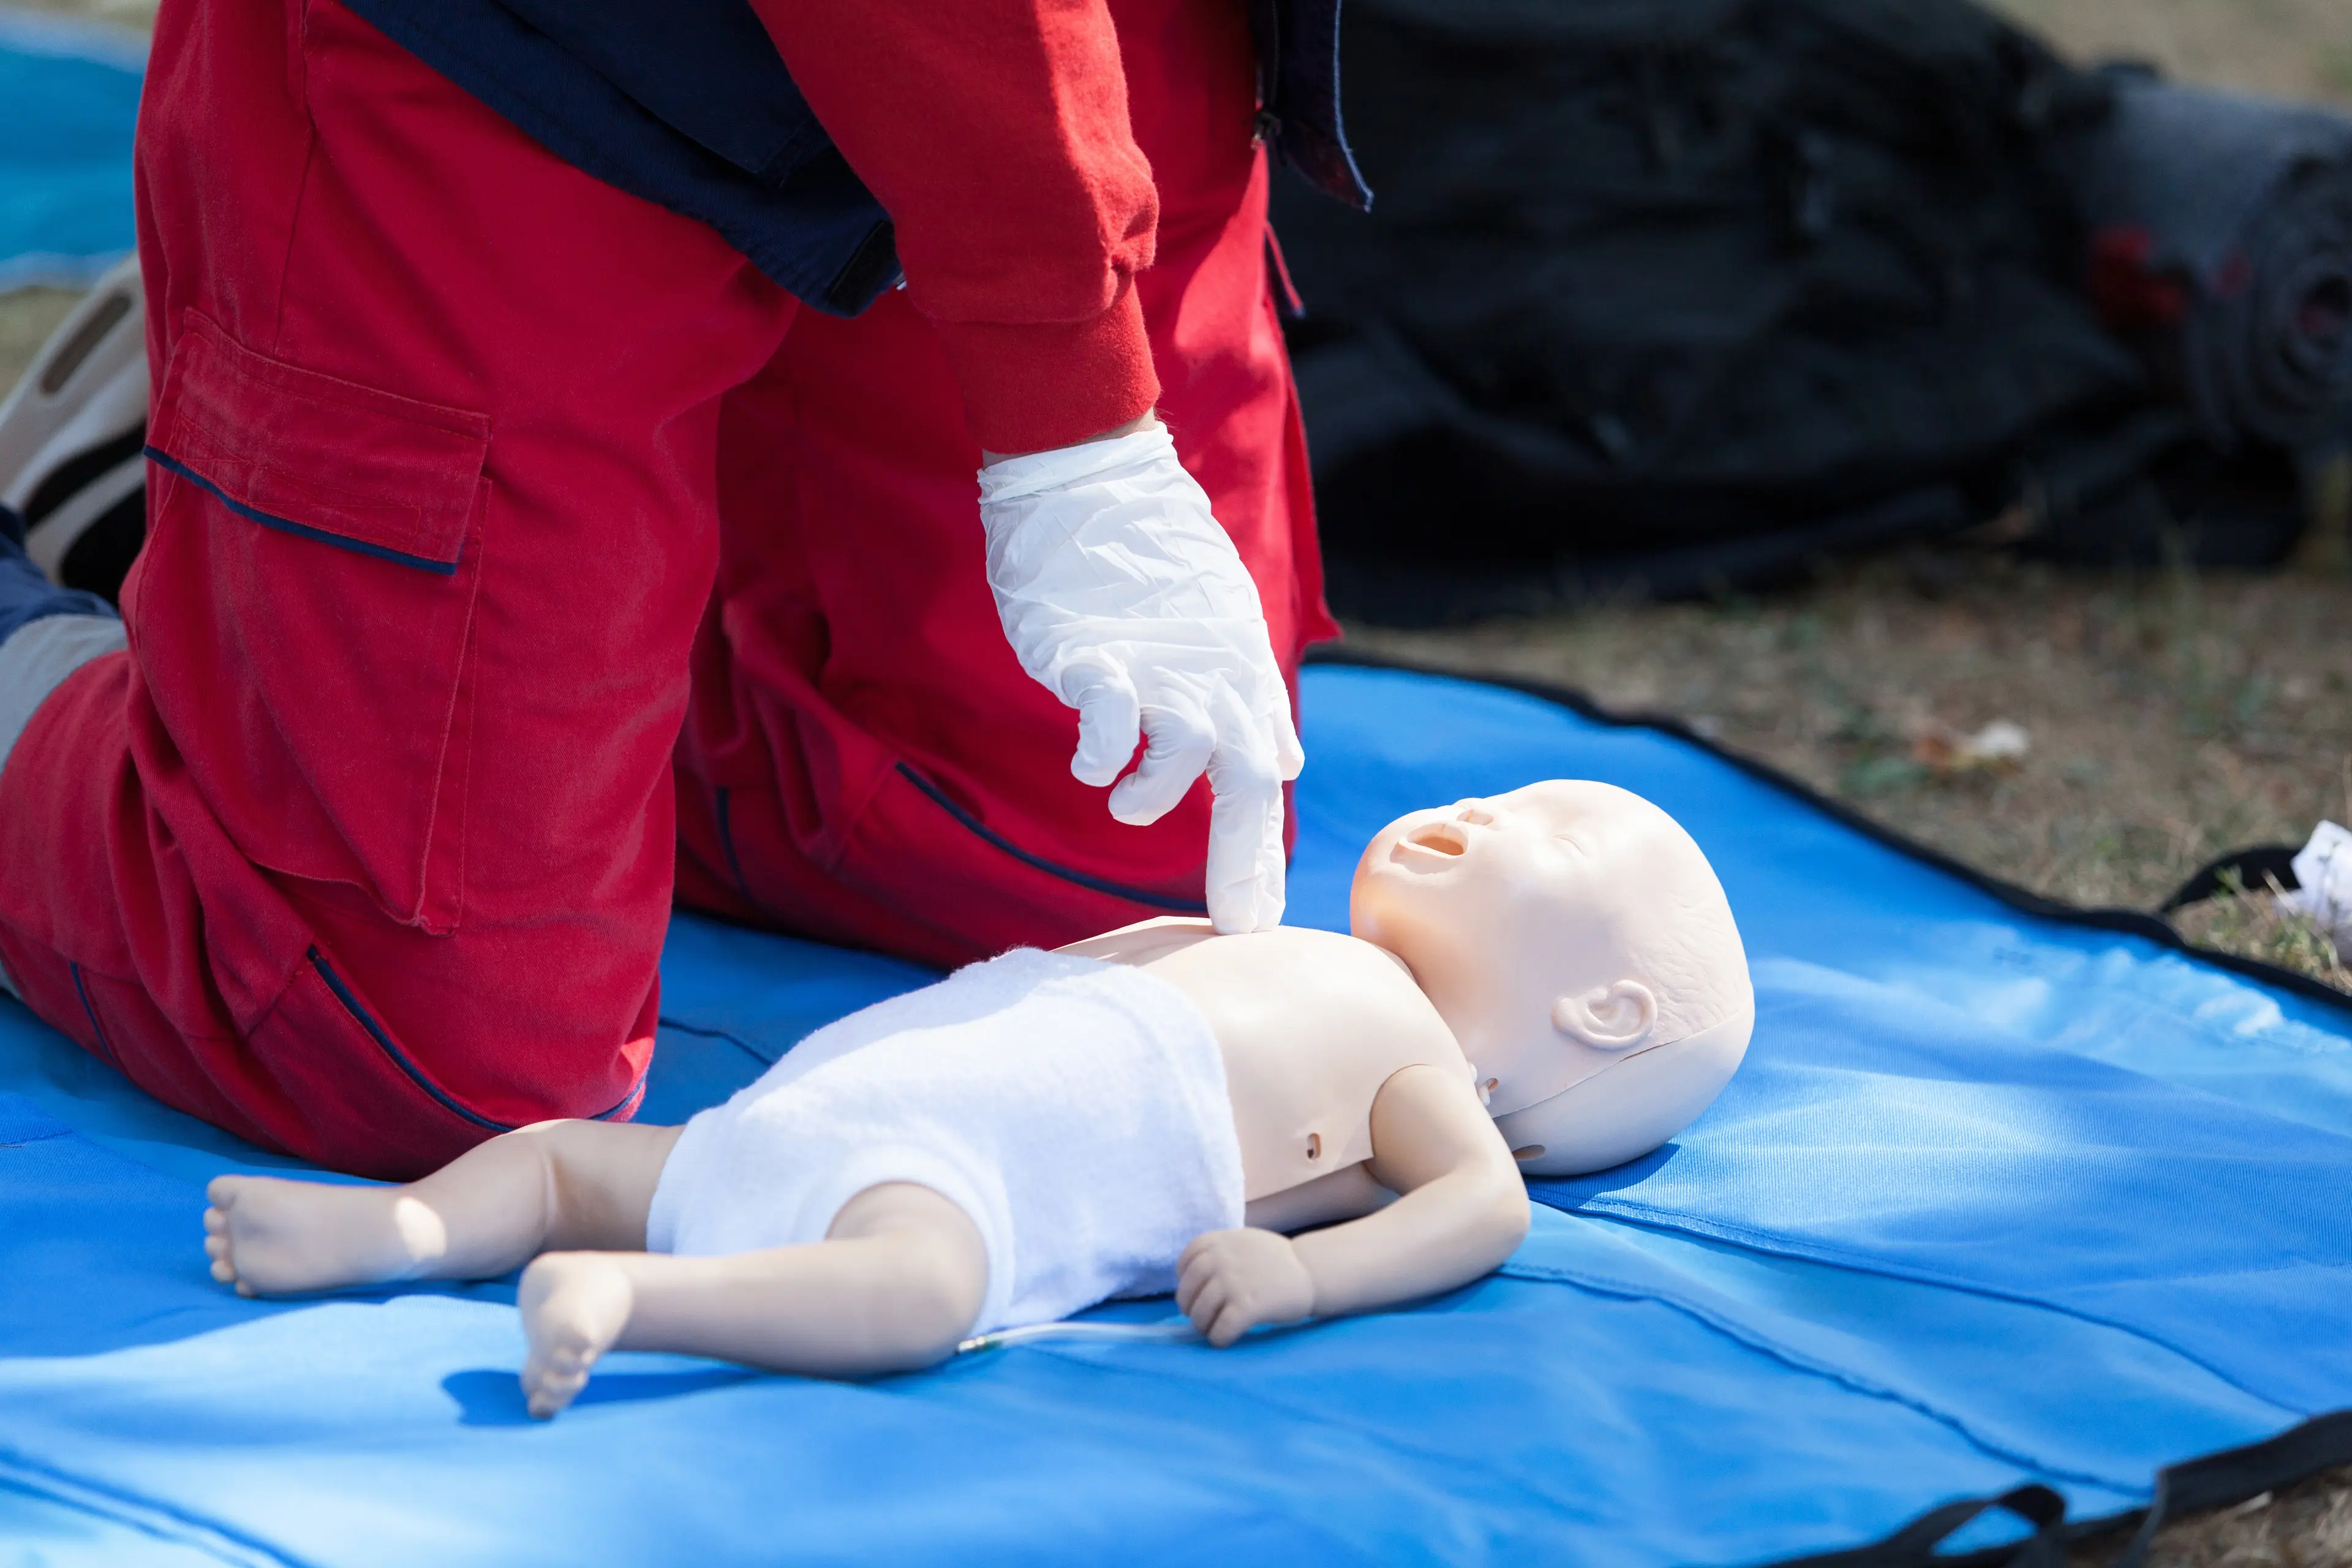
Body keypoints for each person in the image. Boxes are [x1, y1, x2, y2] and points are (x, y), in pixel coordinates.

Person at [0, 0, 1367, 1177]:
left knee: (1102, 838)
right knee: (428, 1043)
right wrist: (1071, 409)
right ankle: (250, 520)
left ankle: (292, 567)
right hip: (532, 49)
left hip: (1060, 45)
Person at [197, 780, 1754, 1419]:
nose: (1489, 804)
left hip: (949, 1180)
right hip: (866, 1090)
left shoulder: (1416, 1060)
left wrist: (1303, 1269)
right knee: (558, 1157)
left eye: (1549, 835)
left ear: (1598, 1013)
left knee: (921, 1293)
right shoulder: (1281, 932)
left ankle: (634, 1294)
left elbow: (1478, 1209)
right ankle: (399, 1226)